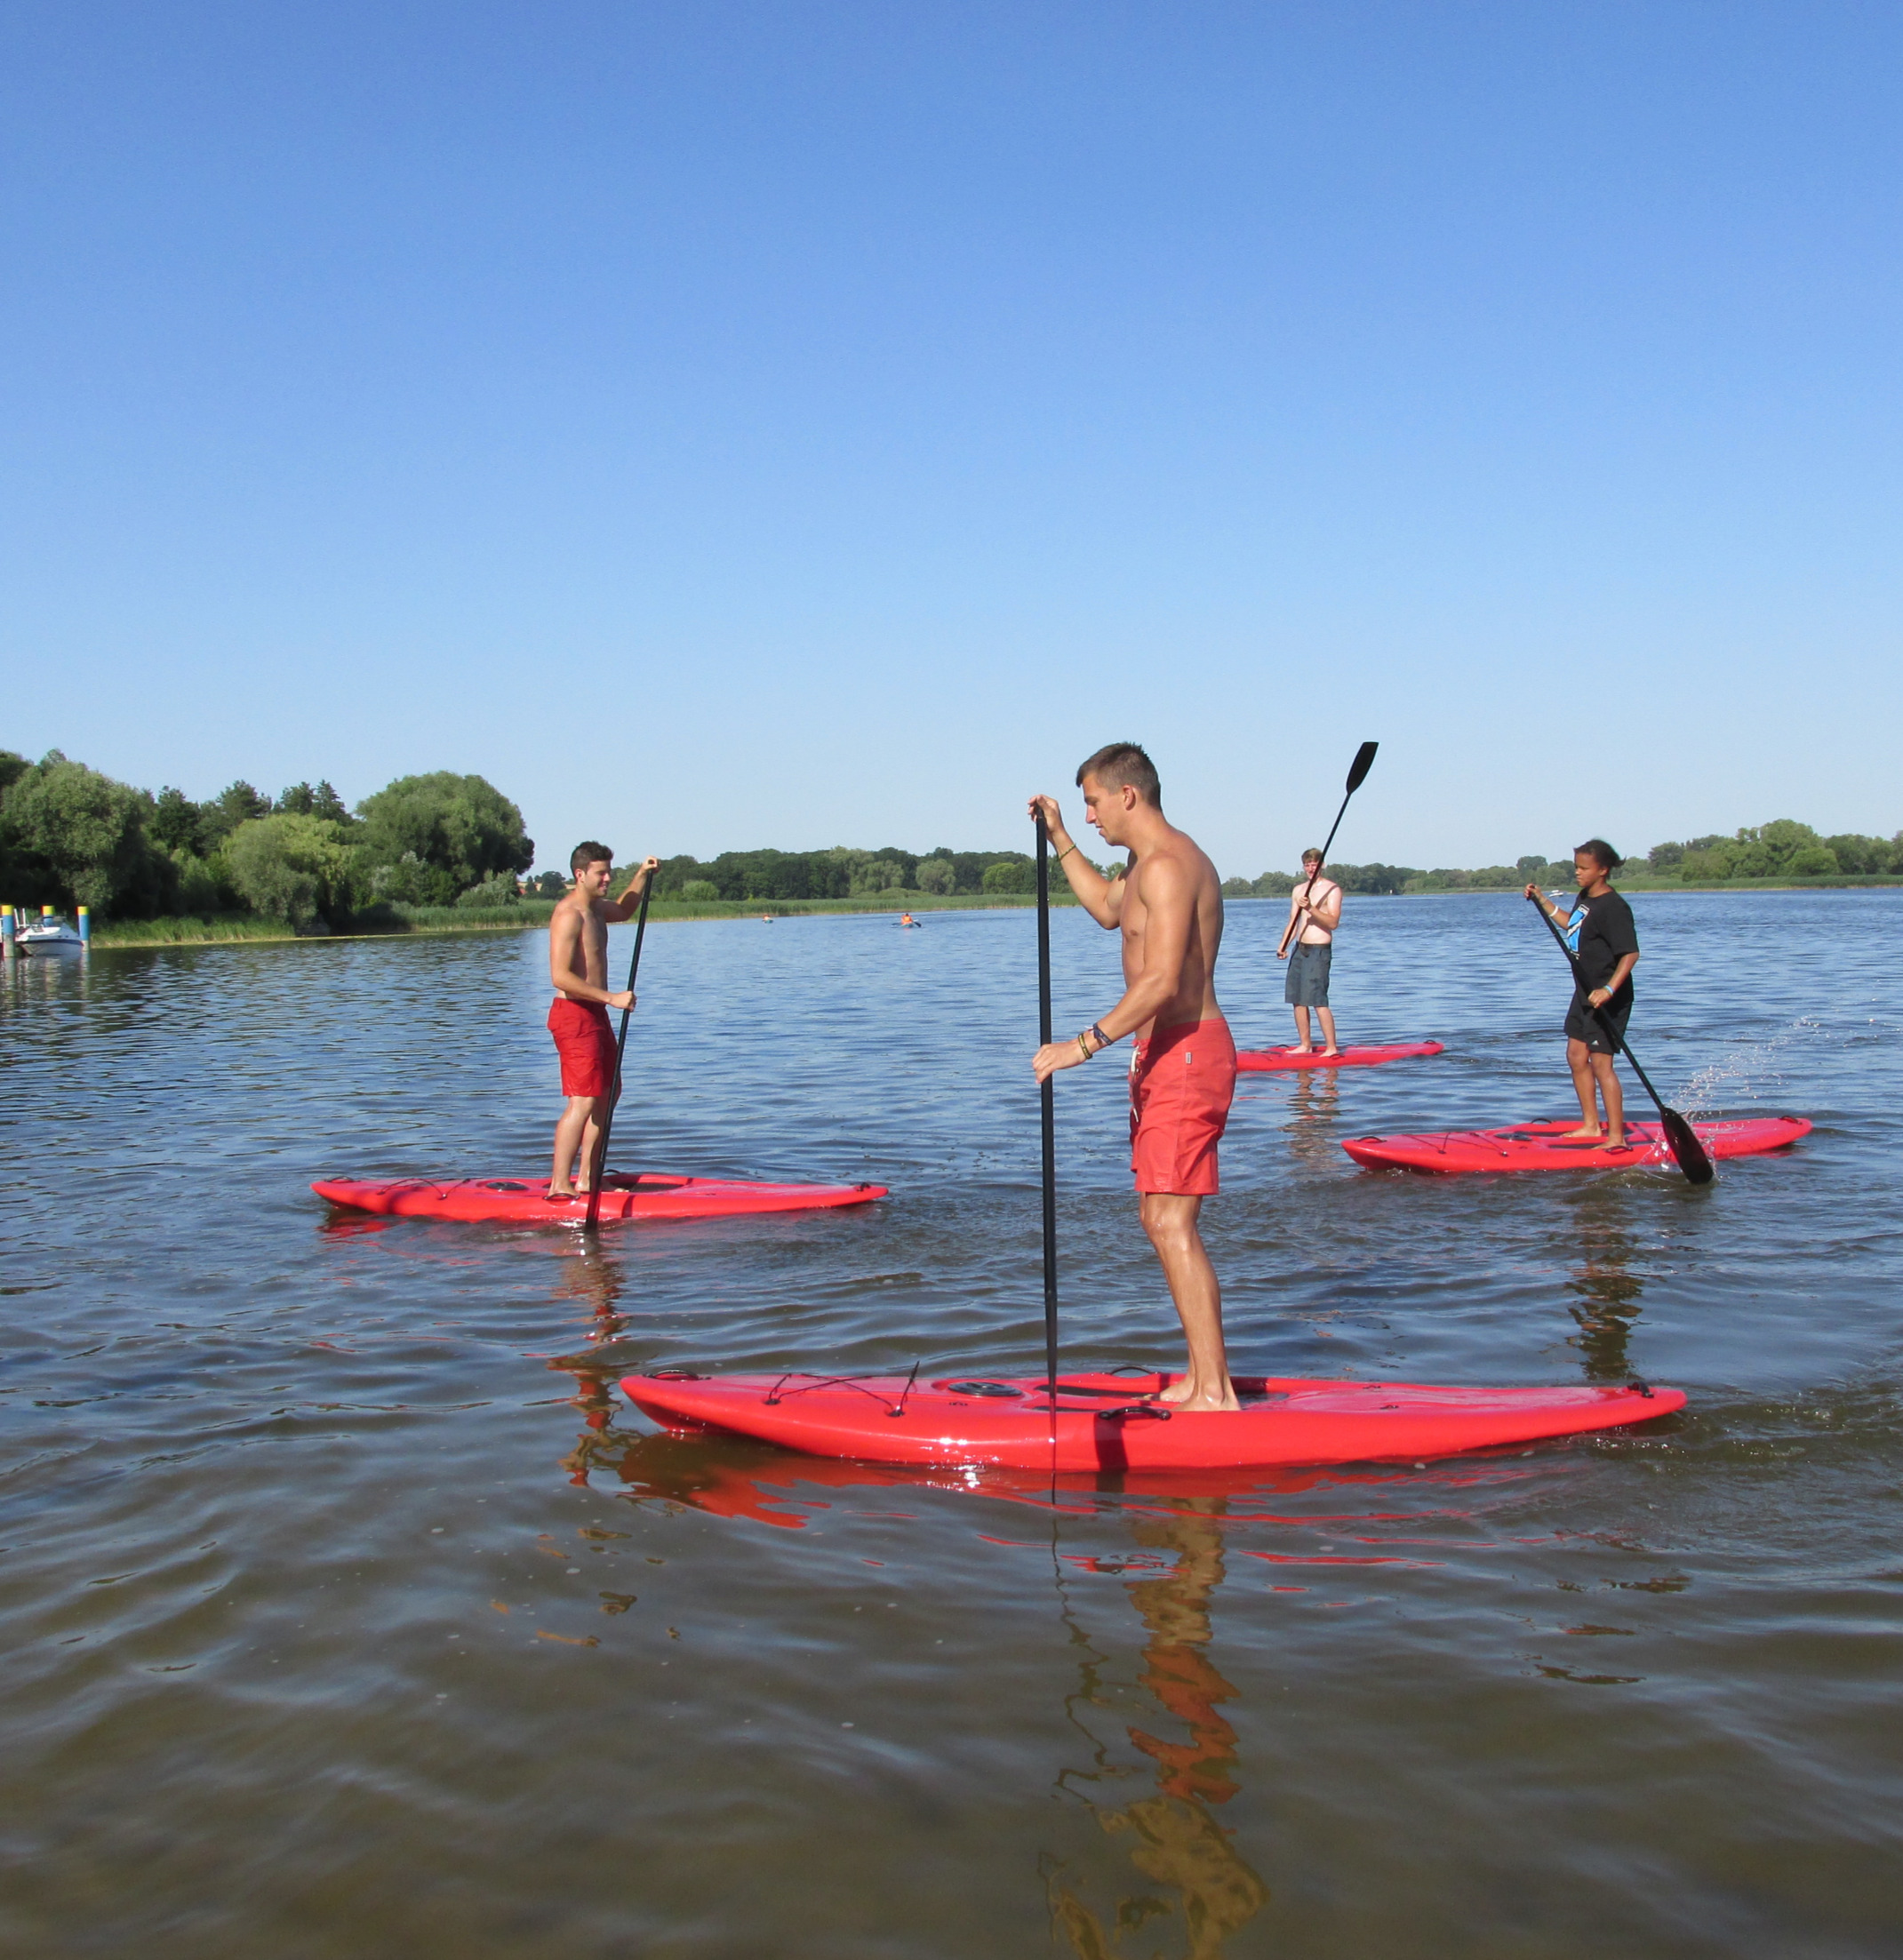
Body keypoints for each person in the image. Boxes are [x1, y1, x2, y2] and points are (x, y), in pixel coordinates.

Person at [1030, 742, 1239, 1412]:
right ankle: (1201, 1378)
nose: (1090, 813)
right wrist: (1059, 834)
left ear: (1128, 794)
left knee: (1172, 1221)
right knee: (1159, 1216)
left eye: (1091, 802)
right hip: (1161, 1057)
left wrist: (1081, 1045)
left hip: (1187, 1054)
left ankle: (1216, 1391)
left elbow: (1162, 979)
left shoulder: (1172, 866)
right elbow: (1103, 908)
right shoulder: (1143, 865)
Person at [547, 842, 660, 1200]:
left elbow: (626, 910)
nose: (608, 878)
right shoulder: (570, 914)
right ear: (580, 874)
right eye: (601, 873)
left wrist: (642, 874)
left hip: (595, 1014)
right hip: (573, 1016)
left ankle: (588, 1178)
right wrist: (611, 998)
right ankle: (558, 1186)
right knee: (582, 1100)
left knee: (607, 1096)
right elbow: (560, 977)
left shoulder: (596, 909)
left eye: (609, 872)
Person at [1524, 839, 1640, 1149]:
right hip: (1584, 992)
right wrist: (1542, 901)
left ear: (1602, 870)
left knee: (1602, 1066)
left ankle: (1616, 1138)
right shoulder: (1585, 898)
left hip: (1608, 996)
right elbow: (1571, 926)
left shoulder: (1614, 907)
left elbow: (1630, 954)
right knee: (1576, 1056)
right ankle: (1591, 1126)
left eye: (1583, 868)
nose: (1577, 872)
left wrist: (1608, 989)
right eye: (1576, 866)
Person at [1275, 849, 1341, 1054]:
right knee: (1297, 999)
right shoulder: (1299, 890)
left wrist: (1312, 908)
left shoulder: (1332, 889)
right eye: (1307, 865)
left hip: (1319, 950)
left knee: (1317, 999)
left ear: (1322, 865)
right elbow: (1293, 921)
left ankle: (1331, 1047)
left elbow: (1333, 922)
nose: (1311, 868)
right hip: (1299, 949)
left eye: (1315, 864)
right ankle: (1305, 1045)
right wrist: (1283, 945)